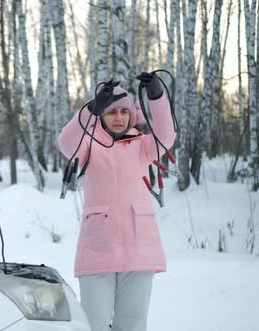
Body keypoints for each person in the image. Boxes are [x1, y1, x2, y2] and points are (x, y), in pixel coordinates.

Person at [57, 72, 176, 331]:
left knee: (132, 324)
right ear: (101, 115)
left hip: (140, 249)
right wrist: (91, 108)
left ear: (132, 114)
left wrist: (156, 95)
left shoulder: (144, 146)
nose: (119, 117)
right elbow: (66, 141)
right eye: (111, 112)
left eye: (124, 111)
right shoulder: (89, 146)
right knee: (93, 323)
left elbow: (167, 135)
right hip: (97, 250)